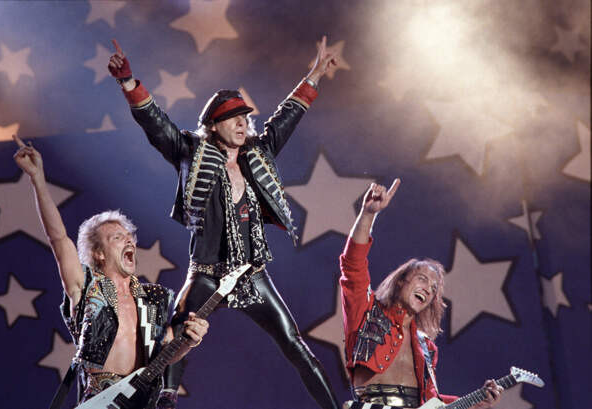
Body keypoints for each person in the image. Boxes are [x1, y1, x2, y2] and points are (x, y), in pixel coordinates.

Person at [107, 36, 341, 408]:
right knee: (176, 337)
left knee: (295, 344)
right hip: (207, 274)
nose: (242, 124)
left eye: (245, 118)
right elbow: (156, 124)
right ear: (214, 125)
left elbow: (286, 117)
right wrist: (128, 83)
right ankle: (164, 402)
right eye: (234, 119)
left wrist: (314, 76)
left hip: (252, 274)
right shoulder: (191, 152)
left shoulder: (257, 154)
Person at [12, 135, 209, 408]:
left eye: (130, 237)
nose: (129, 241)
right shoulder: (85, 287)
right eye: (117, 237)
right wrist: (38, 178)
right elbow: (58, 238)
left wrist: (188, 342)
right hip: (99, 401)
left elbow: (164, 356)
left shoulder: (154, 298)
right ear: (99, 253)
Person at [340, 181, 503, 408]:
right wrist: (368, 214)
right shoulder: (366, 312)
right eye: (423, 279)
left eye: (434, 289)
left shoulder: (426, 346)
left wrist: (475, 402)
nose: (428, 289)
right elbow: (352, 265)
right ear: (401, 280)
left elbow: (431, 403)